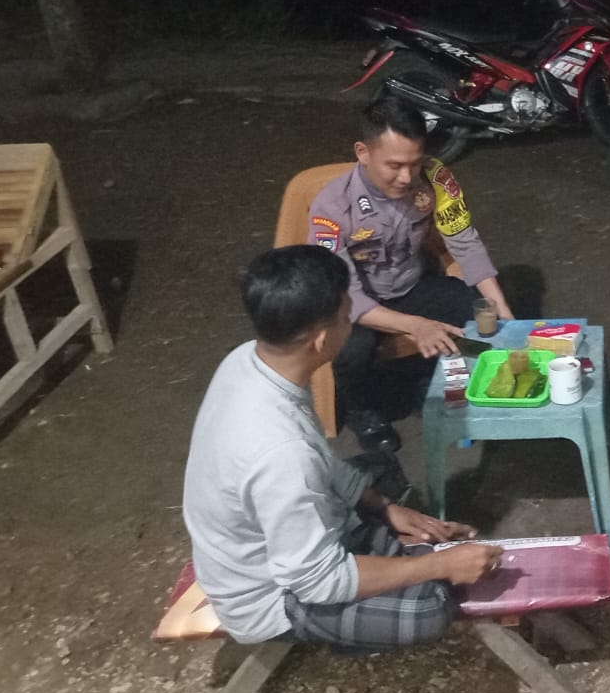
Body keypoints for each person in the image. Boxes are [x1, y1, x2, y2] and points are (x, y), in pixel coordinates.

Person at [182, 245, 501, 653]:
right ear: (320, 340)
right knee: (429, 608)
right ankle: (377, 563)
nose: (353, 319)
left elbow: (317, 457)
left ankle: (379, 542)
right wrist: (439, 564)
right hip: (273, 595)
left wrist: (384, 507)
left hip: (279, 529)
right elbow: (316, 582)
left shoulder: (249, 360)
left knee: (381, 472)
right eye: (347, 314)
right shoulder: (281, 453)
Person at [310, 96, 514, 449]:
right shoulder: (332, 206)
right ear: (363, 152)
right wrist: (417, 326)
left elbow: (464, 242)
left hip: (410, 286)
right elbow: (347, 296)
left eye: (414, 163)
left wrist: (503, 310)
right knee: (350, 348)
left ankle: (432, 384)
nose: (406, 177)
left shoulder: (436, 178)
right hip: (356, 304)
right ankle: (363, 411)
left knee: (471, 308)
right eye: (394, 165)